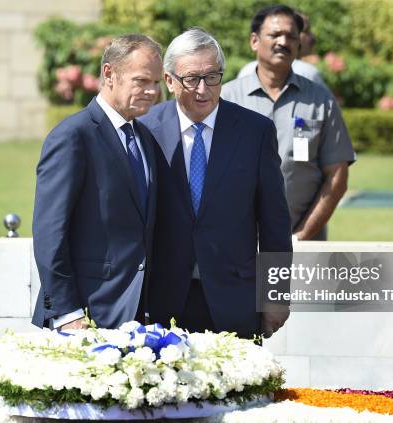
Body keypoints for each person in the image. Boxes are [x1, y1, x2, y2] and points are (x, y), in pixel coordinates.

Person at [139, 28, 292, 339]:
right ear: (169, 81)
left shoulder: (255, 132)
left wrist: (275, 295)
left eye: (212, 77)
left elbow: (275, 222)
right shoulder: (145, 130)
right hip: (160, 300)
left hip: (235, 299)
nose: (202, 89)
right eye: (191, 78)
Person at [31, 34, 163, 330]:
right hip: (85, 317)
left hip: (138, 316)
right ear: (109, 74)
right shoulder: (72, 136)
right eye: (141, 81)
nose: (152, 91)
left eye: (156, 83)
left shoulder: (144, 138)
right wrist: (67, 314)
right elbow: (50, 233)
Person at [222, 5, 355, 241]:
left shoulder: (320, 101)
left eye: (291, 36)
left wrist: (301, 236)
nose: (283, 42)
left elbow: (337, 177)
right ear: (254, 41)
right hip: (234, 246)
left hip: (303, 245)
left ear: (299, 44)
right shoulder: (226, 99)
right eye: (275, 35)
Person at [237, 11, 327, 90]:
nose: (312, 37)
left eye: (290, 35)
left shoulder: (247, 69)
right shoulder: (307, 72)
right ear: (255, 40)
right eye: (306, 31)